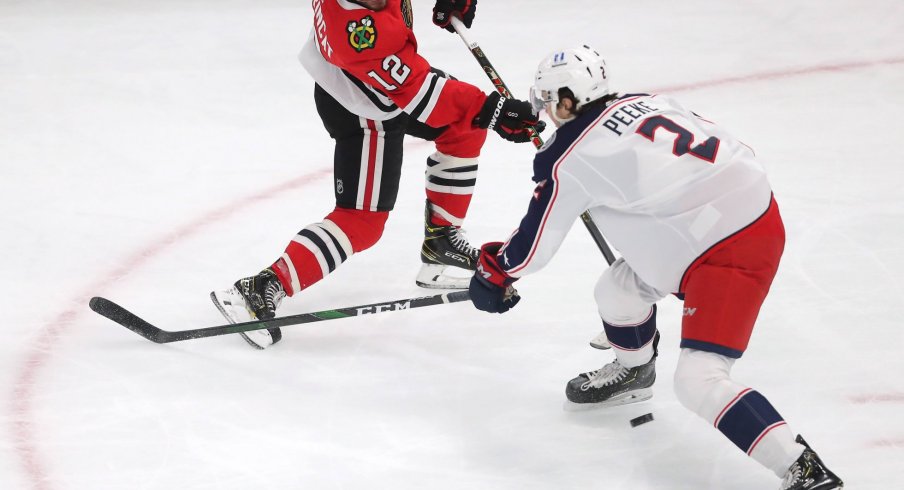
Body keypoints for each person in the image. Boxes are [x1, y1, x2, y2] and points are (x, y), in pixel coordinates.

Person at [467, 45, 843, 489]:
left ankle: (801, 466)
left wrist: (494, 273)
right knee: (617, 291)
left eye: (550, 100)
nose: (547, 110)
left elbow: (531, 251)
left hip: (728, 252)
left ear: (569, 101)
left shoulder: (569, 158)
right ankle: (634, 370)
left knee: (698, 380)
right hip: (735, 215)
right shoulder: (647, 101)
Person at [211, 0, 543, 349]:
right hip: (364, 106)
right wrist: (492, 110)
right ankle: (261, 286)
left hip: (387, 86)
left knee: (464, 127)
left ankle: (441, 242)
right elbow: (420, 92)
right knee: (362, 221)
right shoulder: (357, 35)